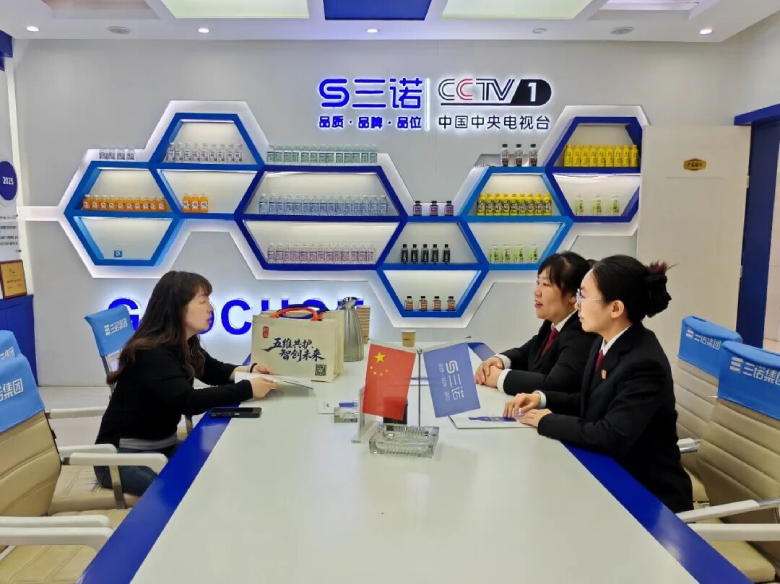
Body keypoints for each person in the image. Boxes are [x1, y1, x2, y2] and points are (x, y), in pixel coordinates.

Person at [505, 255, 693, 513]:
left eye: (583, 296)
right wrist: (542, 398)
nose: (577, 305)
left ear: (615, 308)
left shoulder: (643, 363)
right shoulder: (604, 342)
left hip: (647, 497)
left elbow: (610, 434)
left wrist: (546, 420)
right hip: (609, 474)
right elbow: (590, 400)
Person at [94, 271, 278, 496]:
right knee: (187, 496)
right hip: (120, 459)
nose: (211, 308)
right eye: (203, 301)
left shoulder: (184, 342)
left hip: (163, 448)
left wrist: (248, 371)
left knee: (220, 474)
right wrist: (247, 388)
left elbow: (212, 370)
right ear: (178, 307)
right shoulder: (150, 352)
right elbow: (189, 401)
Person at [475, 252, 596, 396]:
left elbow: (555, 385)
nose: (537, 292)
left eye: (546, 284)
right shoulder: (553, 322)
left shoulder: (581, 332)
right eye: (538, 283)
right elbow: (526, 353)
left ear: (573, 295)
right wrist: (499, 360)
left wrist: (499, 378)